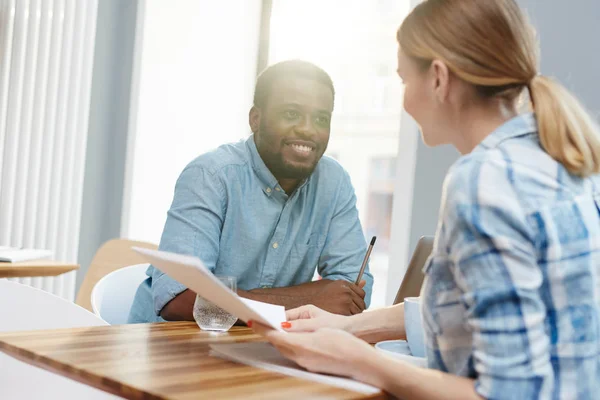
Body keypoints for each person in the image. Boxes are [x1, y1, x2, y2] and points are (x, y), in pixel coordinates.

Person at [251, 1, 600, 399]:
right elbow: (475, 312)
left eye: (402, 80)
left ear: (437, 78)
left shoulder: (485, 182)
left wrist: (358, 360)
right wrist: (346, 327)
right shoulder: (561, 158)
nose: (403, 100)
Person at [128, 60, 373, 323]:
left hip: (256, 347)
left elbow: (354, 293)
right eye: (291, 114)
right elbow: (179, 300)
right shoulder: (210, 175)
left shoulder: (334, 182)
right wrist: (308, 298)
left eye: (321, 118)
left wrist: (229, 298)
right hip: (167, 349)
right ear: (255, 119)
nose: (307, 129)